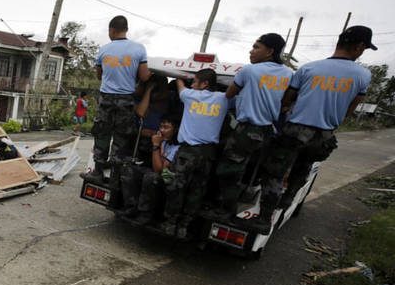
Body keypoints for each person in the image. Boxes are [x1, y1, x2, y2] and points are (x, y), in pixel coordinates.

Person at [246, 26, 375, 233]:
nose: (362, 51)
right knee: (302, 168)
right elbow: (352, 106)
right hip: (324, 133)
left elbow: (288, 99)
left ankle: (263, 218)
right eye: (364, 48)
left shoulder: (308, 69)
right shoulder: (363, 75)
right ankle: (287, 201)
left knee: (275, 172)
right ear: (359, 46)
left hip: (296, 129)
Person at [213, 33, 293, 219]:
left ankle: (226, 209)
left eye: (257, 47)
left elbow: (229, 94)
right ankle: (264, 214)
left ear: (270, 51)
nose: (251, 50)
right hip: (269, 130)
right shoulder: (289, 74)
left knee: (229, 170)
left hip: (247, 129)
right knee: (265, 172)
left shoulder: (249, 71)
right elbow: (287, 101)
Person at [162, 68, 232, 239]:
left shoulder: (190, 95)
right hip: (207, 154)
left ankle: (171, 223)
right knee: (197, 190)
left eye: (194, 81)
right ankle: (184, 226)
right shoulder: (224, 99)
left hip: (188, 152)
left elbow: (179, 83)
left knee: (177, 187)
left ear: (204, 84)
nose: (192, 84)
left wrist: (182, 76)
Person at [83, 15, 151, 181]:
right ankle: (115, 175)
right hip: (126, 99)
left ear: (112, 30)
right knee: (121, 136)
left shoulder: (104, 50)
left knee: (102, 133)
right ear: (126, 29)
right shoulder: (139, 49)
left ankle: (98, 171)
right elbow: (144, 76)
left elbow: (100, 75)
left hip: (106, 98)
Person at [121, 114, 180, 224]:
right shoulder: (164, 141)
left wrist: (156, 145)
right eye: (161, 127)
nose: (162, 130)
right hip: (156, 173)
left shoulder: (177, 147)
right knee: (128, 170)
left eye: (166, 127)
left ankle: (146, 213)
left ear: (175, 129)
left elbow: (158, 170)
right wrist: (161, 144)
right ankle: (131, 207)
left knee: (151, 177)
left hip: (168, 181)